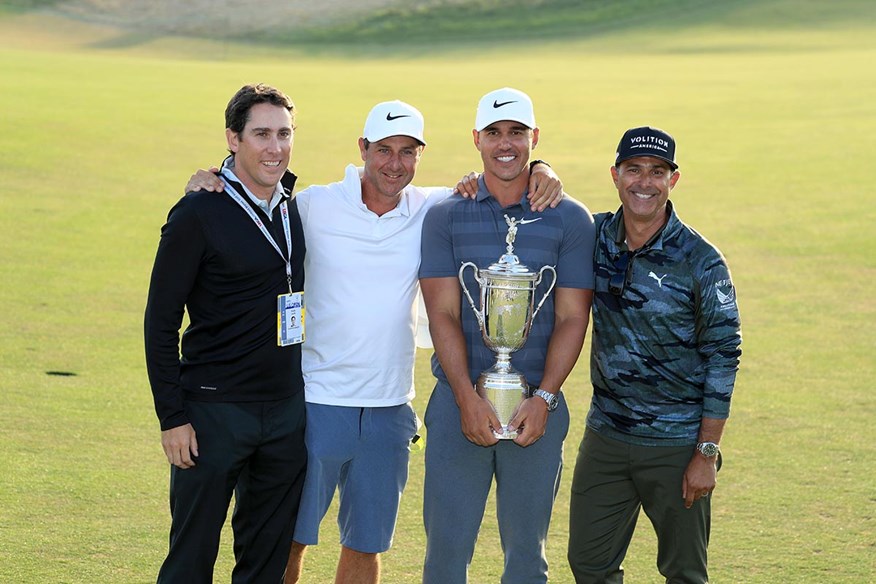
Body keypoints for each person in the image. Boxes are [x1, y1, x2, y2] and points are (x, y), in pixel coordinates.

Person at [183, 99, 565, 584]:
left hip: (389, 409)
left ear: (420, 155)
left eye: (408, 152)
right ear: (362, 148)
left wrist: (541, 168)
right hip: (315, 402)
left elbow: (497, 180)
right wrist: (209, 177)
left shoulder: (433, 207)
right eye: (383, 149)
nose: (394, 163)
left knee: (366, 544)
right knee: (288, 540)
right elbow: (250, 191)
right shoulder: (314, 204)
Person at [418, 87, 595, 584]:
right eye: (493, 133)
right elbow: (443, 314)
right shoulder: (446, 214)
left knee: (526, 561)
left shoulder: (571, 218)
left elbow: (572, 319)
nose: (505, 144)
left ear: (535, 138)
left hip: (536, 411)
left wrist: (543, 396)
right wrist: (464, 399)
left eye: (517, 132)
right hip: (457, 408)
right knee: (446, 559)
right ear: (476, 138)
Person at [144, 83, 308, 583]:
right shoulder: (197, 211)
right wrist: (172, 417)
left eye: (284, 134)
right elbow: (160, 320)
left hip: (285, 414)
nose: (274, 147)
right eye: (261, 134)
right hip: (213, 414)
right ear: (233, 139)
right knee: (190, 562)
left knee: (265, 564)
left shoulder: (296, 207)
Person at [567, 126, 742, 583]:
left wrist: (707, 452)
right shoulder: (596, 236)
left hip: (677, 444)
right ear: (615, 174)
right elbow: (542, 214)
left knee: (684, 573)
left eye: (657, 172)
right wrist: (540, 168)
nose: (644, 182)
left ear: (673, 180)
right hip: (605, 437)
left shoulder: (701, 261)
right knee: (589, 565)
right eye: (634, 169)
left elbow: (725, 355)